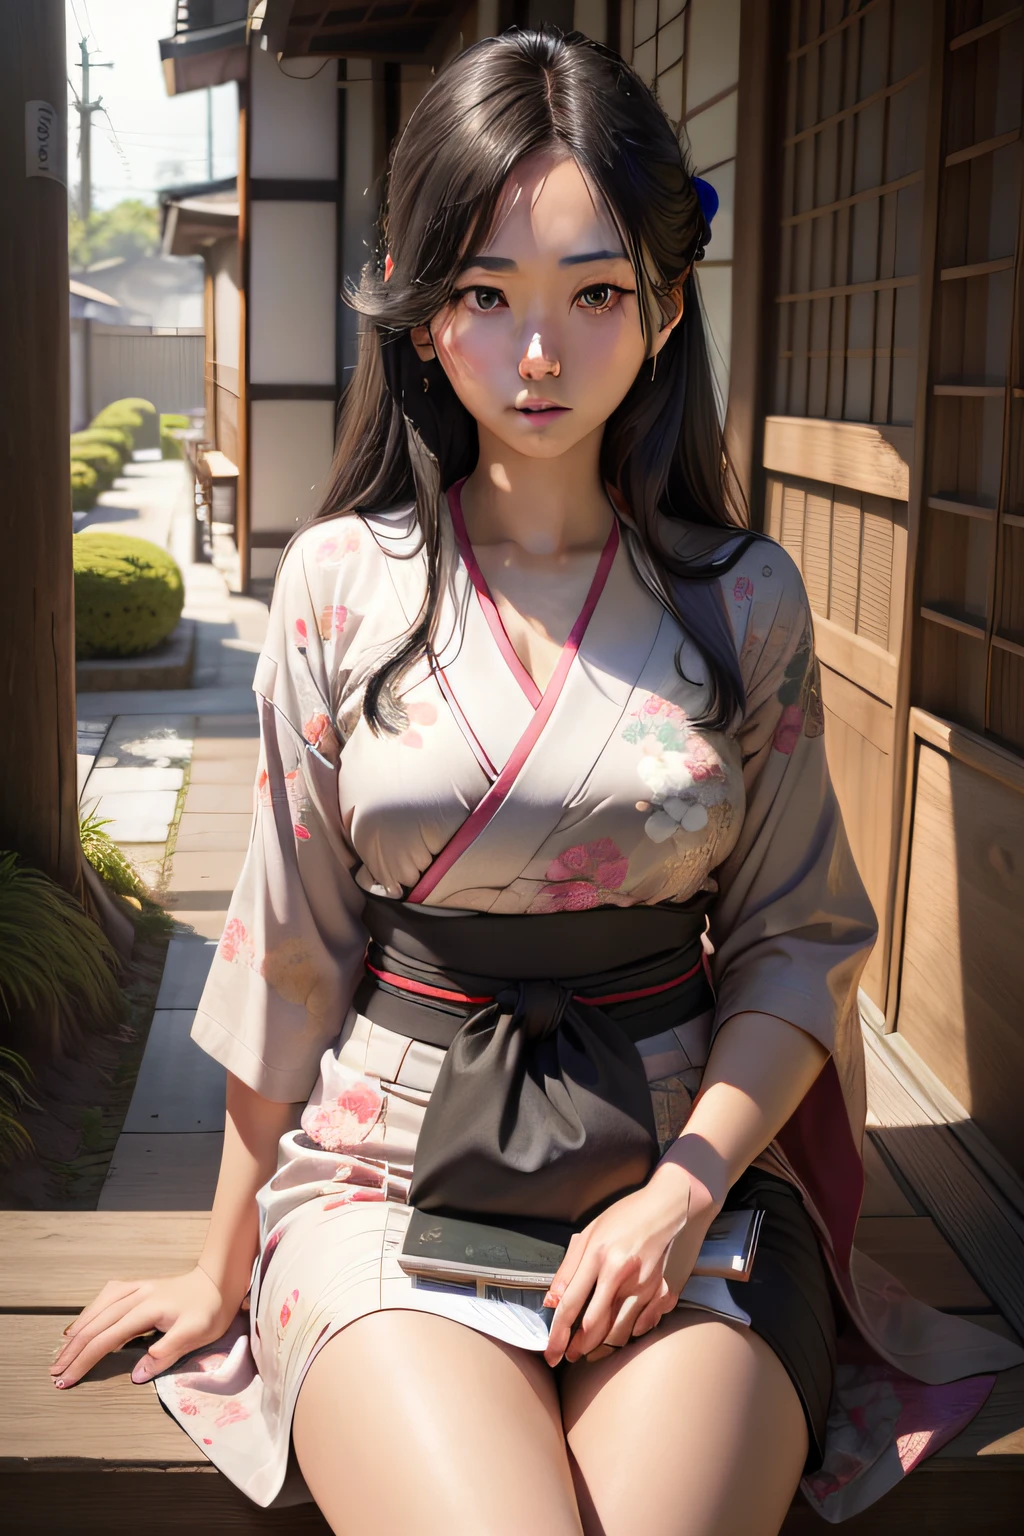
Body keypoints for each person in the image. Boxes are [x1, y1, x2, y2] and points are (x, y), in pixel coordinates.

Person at [50, 28, 1022, 1536]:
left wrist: (685, 1193)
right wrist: (219, 1265)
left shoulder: (743, 600)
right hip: (385, 1180)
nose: (542, 351)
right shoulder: (333, 590)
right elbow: (286, 954)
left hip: (683, 1175)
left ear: (666, 306)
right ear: (426, 314)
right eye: (489, 295)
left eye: (594, 292)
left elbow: (797, 947)